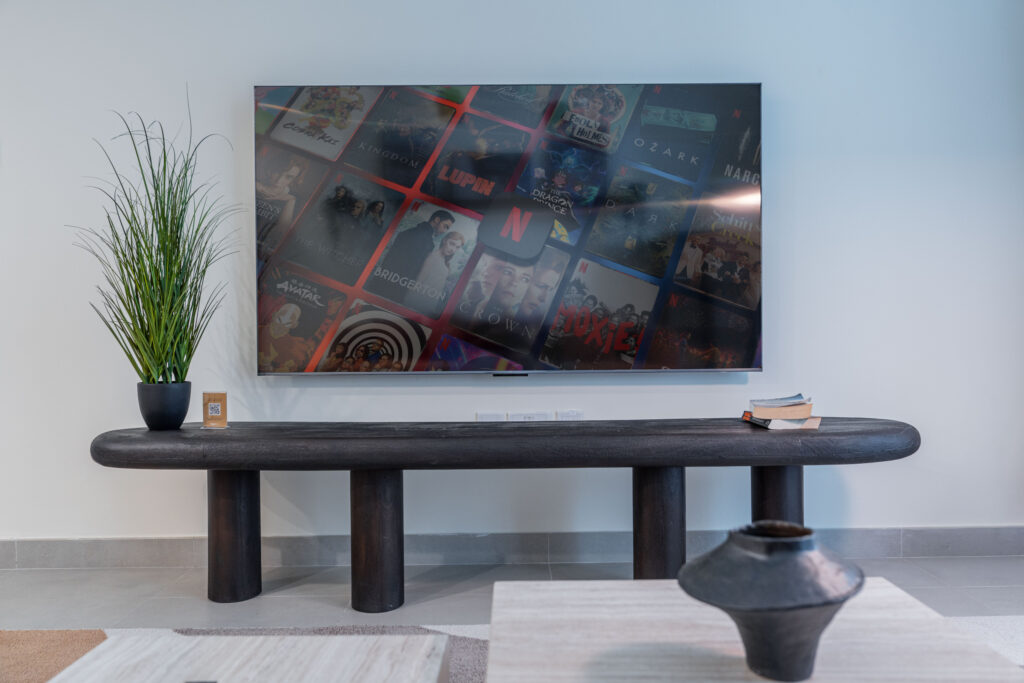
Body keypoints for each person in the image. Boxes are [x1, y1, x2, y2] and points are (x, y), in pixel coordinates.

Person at [374, 210, 455, 300]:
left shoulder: (409, 232)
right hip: (396, 288)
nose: (444, 231)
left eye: (447, 229)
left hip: (382, 282)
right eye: (445, 226)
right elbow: (411, 269)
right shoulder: (427, 242)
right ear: (437, 220)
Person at [405, 231, 465, 316]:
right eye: (452, 244)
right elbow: (418, 281)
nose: (453, 249)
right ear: (444, 240)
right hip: (418, 303)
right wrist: (407, 305)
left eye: (457, 247)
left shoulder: (444, 260)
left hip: (429, 303)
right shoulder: (433, 257)